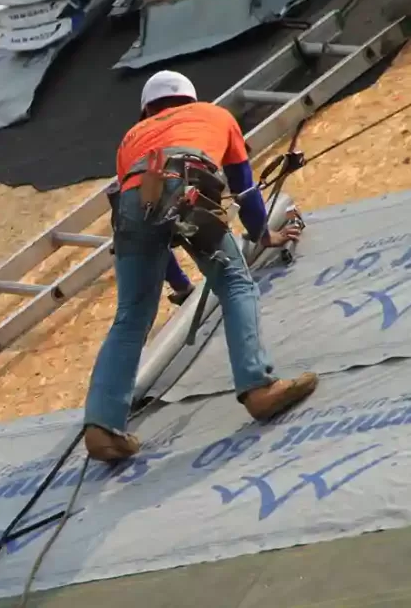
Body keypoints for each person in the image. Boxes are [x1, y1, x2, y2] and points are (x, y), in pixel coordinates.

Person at [83, 71, 319, 462]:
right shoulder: (215, 115)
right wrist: (263, 236)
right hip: (190, 184)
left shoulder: (131, 140)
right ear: (191, 99)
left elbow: (147, 213)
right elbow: (244, 189)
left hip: (134, 203)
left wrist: (178, 285)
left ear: (146, 110)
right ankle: (257, 386)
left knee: (130, 316)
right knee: (234, 283)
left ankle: (102, 427)